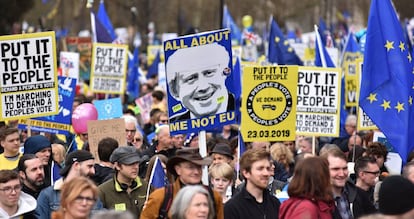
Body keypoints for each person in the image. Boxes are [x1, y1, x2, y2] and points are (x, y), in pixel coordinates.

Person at [140, 147, 224, 219]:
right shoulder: (160, 197)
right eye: (190, 167)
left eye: (199, 167)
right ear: (178, 169)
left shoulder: (214, 197)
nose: (196, 172)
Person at [165, 43, 234, 121]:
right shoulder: (174, 126)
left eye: (209, 73)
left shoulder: (243, 111)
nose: (203, 87)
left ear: (224, 73)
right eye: (190, 79)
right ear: (175, 92)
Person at [36, 150, 103, 218]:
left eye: (88, 199)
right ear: (76, 165)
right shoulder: (48, 195)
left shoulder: (93, 194)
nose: (93, 171)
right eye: (89, 166)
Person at [224, 149, 280, 219]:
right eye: (260, 169)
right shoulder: (233, 207)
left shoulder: (275, 203)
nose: (266, 173)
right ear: (246, 173)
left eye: (268, 168)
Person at [321, 147, 376, 218]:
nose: (341, 174)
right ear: (323, 170)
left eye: (344, 168)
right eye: (335, 169)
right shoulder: (316, 200)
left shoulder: (359, 195)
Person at [99, 146, 150, 218]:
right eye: (130, 164)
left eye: (137, 163)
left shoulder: (148, 188)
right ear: (117, 166)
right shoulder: (103, 191)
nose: (135, 167)